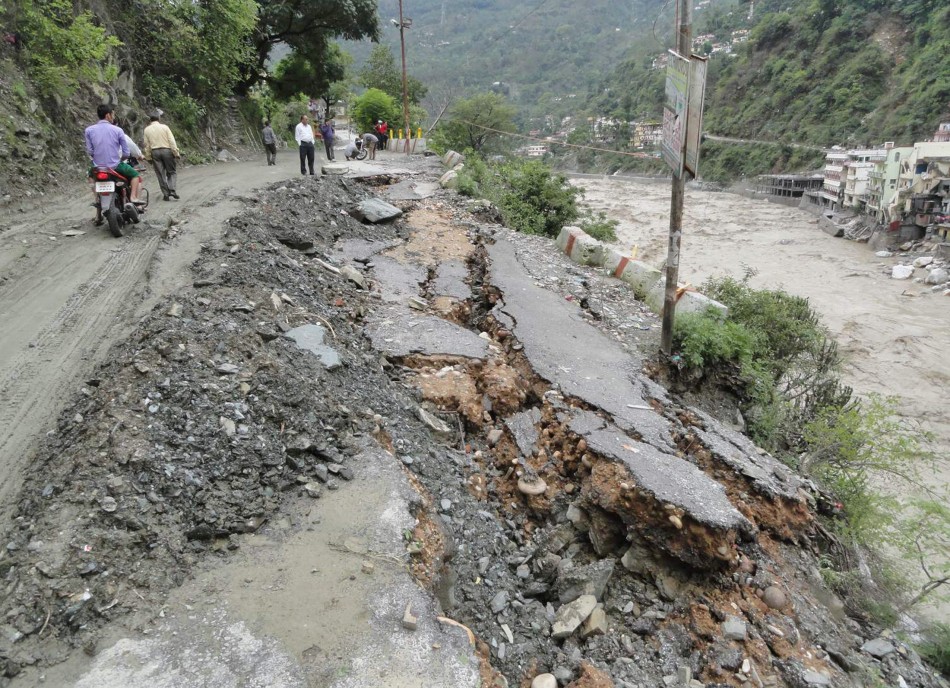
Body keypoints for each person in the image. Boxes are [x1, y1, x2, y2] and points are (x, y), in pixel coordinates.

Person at [84, 103, 143, 204]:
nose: (114, 117)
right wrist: (120, 160)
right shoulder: (118, 130)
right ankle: (133, 197)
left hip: (97, 167)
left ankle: (97, 198)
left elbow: (90, 151)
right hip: (115, 166)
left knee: (90, 177)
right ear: (108, 115)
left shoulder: (88, 130)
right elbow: (126, 152)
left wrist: (97, 158)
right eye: (113, 114)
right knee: (135, 175)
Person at [143, 112, 181, 201]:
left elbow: (147, 145)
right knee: (171, 172)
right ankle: (172, 190)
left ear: (150, 120)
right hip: (167, 151)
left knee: (160, 174)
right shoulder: (165, 127)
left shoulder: (147, 130)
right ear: (159, 119)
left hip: (155, 152)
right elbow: (171, 141)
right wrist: (176, 153)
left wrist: (148, 157)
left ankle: (166, 194)